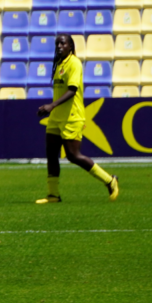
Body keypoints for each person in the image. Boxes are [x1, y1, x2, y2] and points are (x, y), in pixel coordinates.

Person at [36, 34, 119, 204]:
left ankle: (109, 180)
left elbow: (72, 90)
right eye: (57, 43)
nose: (59, 46)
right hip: (56, 117)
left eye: (63, 43)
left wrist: (52, 105)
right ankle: (53, 194)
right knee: (51, 153)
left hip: (72, 117)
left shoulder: (74, 63)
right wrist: (53, 109)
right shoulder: (59, 63)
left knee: (73, 156)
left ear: (71, 46)